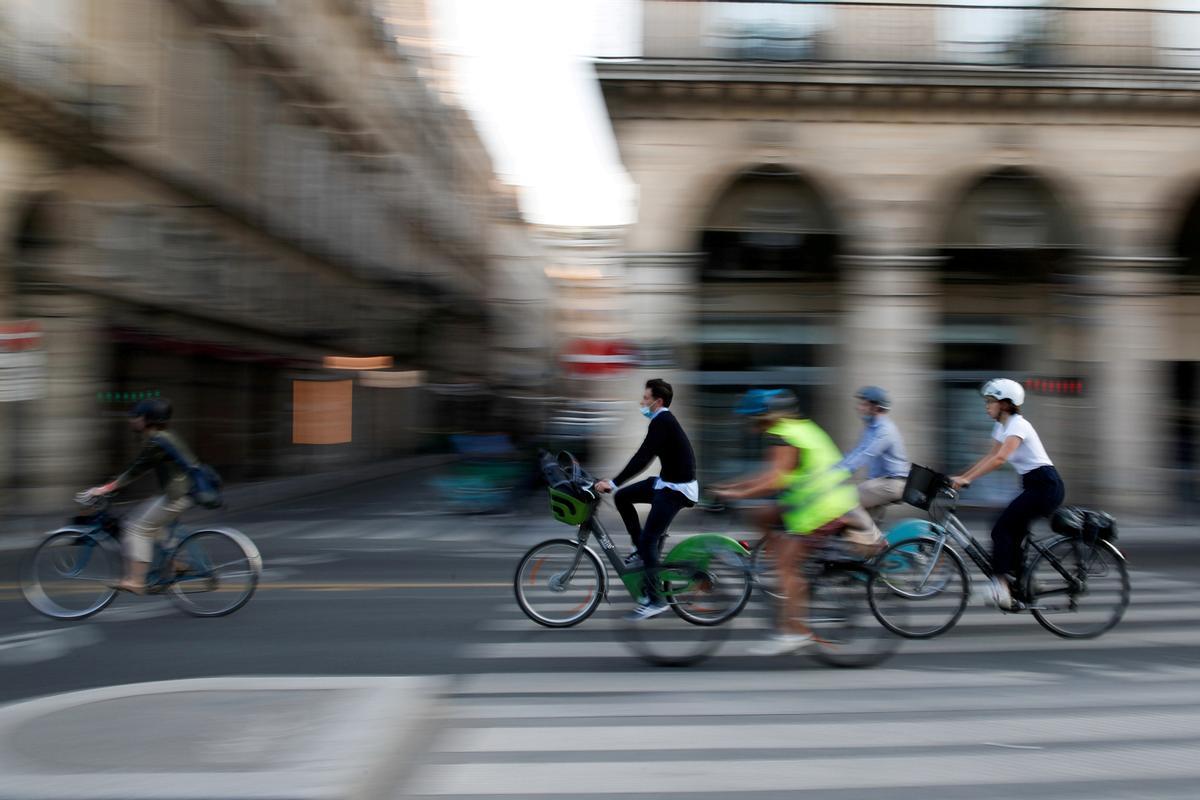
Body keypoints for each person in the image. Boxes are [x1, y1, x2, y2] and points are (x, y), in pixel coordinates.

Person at [713, 389, 876, 655]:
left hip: (821, 509)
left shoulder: (785, 435)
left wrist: (736, 493)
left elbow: (774, 480)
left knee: (788, 566)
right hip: (814, 502)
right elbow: (770, 477)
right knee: (761, 514)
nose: (749, 425)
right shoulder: (797, 428)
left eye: (751, 418)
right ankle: (775, 550)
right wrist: (732, 487)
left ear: (763, 417)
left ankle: (795, 631)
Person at [950, 378, 1065, 610]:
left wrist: (967, 479)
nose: (986, 406)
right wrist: (961, 477)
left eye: (990, 401)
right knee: (1013, 535)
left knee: (1000, 528)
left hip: (1045, 486)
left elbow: (1001, 459)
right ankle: (1027, 581)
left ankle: (1000, 586)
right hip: (1033, 485)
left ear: (1005, 404)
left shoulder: (1017, 425)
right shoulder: (1001, 426)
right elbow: (989, 457)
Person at [594, 378, 698, 620]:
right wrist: (616, 485)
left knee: (650, 539)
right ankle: (639, 550)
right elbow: (643, 455)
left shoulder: (662, 420)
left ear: (658, 401)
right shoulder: (660, 421)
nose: (642, 402)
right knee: (623, 498)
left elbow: (643, 457)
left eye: (646, 398)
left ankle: (655, 600)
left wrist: (613, 481)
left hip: (677, 490)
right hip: (667, 483)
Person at [81, 398, 199, 594]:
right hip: (183, 492)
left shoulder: (157, 441)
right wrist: (112, 486)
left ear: (147, 419)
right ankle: (175, 562)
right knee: (149, 523)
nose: (131, 420)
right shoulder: (164, 436)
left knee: (134, 528)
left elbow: (136, 469)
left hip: (177, 495)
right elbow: (138, 468)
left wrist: (105, 489)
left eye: (136, 416)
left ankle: (136, 581)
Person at [838, 386, 910, 524]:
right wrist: (834, 466)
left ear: (876, 407)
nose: (859, 408)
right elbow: (857, 451)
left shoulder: (885, 430)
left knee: (846, 501)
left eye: (864, 404)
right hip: (880, 483)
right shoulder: (871, 428)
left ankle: (874, 541)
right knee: (857, 526)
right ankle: (874, 542)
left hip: (892, 484)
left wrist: (840, 472)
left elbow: (866, 454)